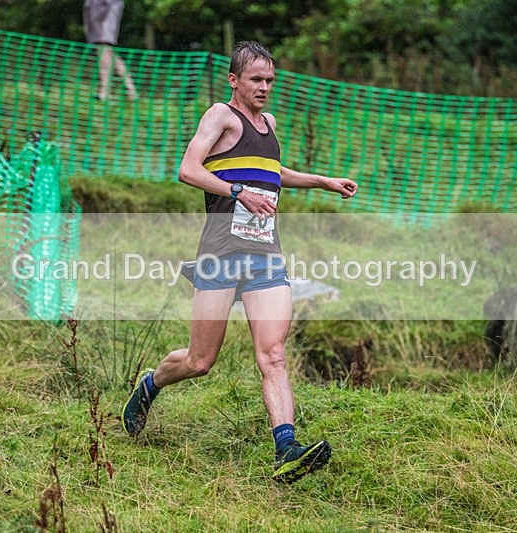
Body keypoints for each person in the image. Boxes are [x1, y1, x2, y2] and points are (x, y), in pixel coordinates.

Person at [121, 41, 358, 484]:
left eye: (270, 80)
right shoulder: (220, 116)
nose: (265, 87)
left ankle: (286, 448)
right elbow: (188, 169)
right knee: (199, 361)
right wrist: (235, 192)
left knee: (273, 355)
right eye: (256, 80)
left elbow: (275, 172)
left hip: (265, 254)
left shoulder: (269, 123)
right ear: (234, 81)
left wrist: (323, 181)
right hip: (220, 254)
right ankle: (150, 384)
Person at [83, 0, 137, 100]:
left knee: (103, 47)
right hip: (101, 10)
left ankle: (105, 90)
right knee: (107, 51)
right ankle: (130, 88)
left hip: (104, 11)